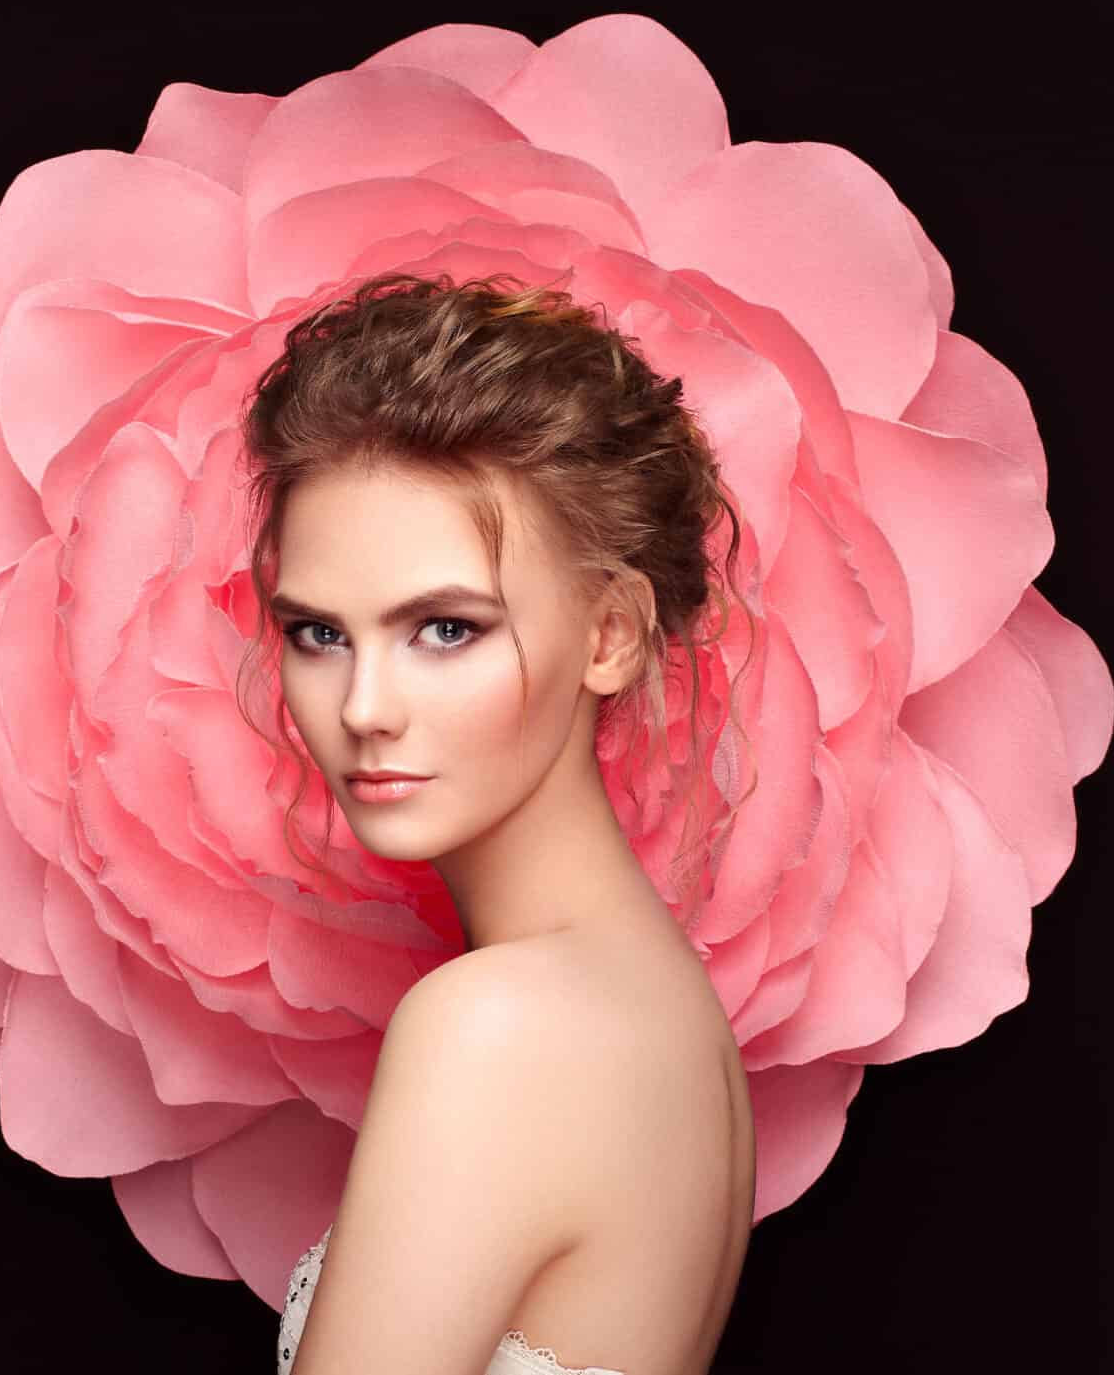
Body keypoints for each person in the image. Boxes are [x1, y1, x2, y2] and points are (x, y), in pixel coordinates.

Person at [247, 271, 758, 1375]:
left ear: (612, 633)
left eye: (442, 627)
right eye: (319, 634)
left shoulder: (498, 1025)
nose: (366, 709)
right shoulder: (659, 1002)